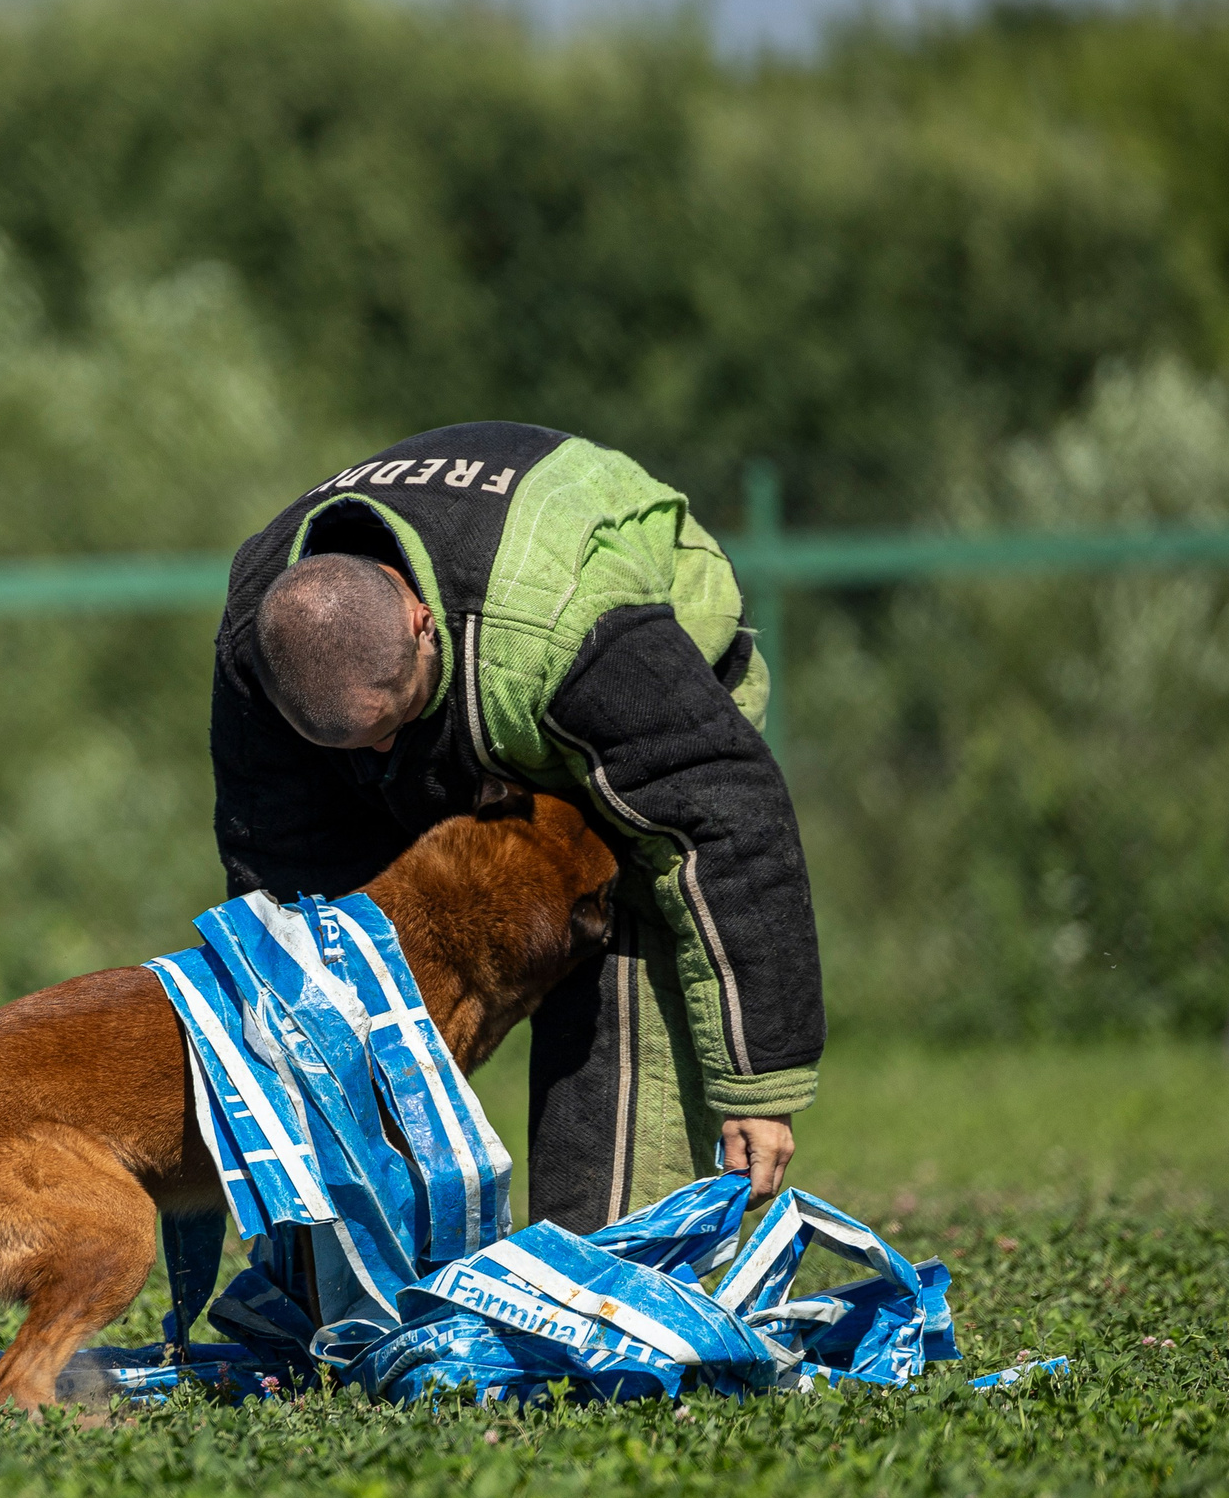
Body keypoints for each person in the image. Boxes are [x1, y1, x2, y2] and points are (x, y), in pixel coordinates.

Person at [210, 422, 821, 1226]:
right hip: (479, 684)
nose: (384, 753)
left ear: (422, 621)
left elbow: (725, 821)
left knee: (616, 938)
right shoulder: (264, 640)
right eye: (356, 743)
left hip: (611, 641)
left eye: (391, 724)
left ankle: (603, 1266)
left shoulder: (572, 627)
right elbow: (278, 871)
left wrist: (758, 1078)